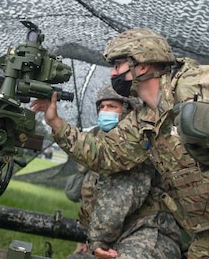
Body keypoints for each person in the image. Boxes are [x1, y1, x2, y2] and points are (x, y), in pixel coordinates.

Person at [30, 27, 209, 259]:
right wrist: (56, 123)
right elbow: (104, 155)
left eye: (118, 65)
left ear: (142, 65)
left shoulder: (194, 85)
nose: (113, 74)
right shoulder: (142, 122)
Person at [65, 85, 182, 259]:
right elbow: (91, 203)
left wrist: (98, 242)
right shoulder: (101, 151)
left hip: (149, 234)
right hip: (115, 237)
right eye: (102, 107)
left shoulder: (136, 147)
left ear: (128, 112)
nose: (104, 112)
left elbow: (117, 204)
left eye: (112, 107)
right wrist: (87, 242)